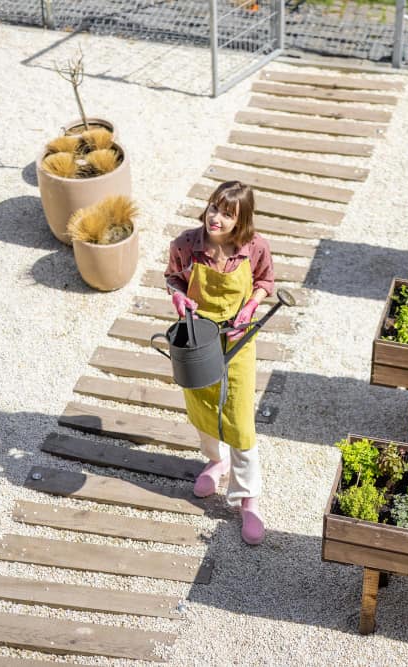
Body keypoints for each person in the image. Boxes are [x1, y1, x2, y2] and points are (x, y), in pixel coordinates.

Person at [164, 180, 274, 545]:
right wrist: (178, 299)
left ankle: (249, 498)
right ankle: (215, 461)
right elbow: (174, 279)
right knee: (202, 407)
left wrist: (251, 305)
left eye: (227, 214)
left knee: (241, 422)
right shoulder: (186, 245)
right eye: (214, 208)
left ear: (242, 220)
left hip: (238, 340)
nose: (216, 218)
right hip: (198, 338)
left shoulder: (255, 247)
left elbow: (264, 281)